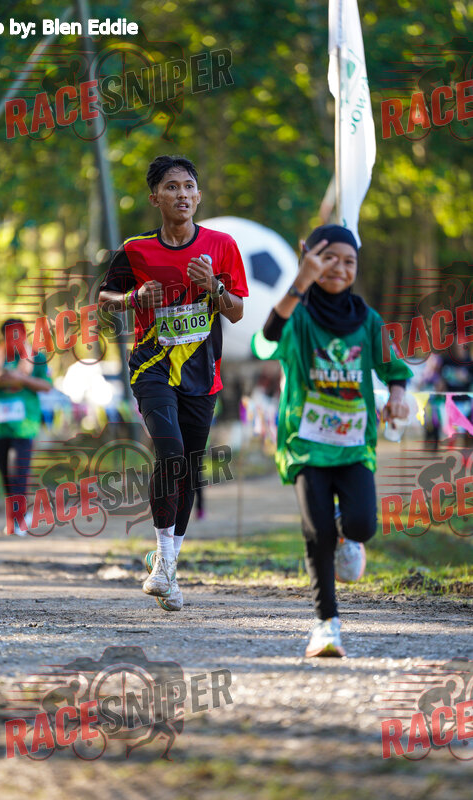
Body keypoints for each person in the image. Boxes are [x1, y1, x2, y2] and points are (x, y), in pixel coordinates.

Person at [253, 224, 412, 657]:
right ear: (309, 259)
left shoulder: (367, 319)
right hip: (306, 444)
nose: (339, 268)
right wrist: (300, 283)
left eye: (349, 261)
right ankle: (326, 625)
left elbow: (394, 369)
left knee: (361, 525)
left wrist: (398, 396)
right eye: (328, 259)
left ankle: (348, 533)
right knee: (317, 531)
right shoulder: (298, 315)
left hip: (354, 444)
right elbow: (266, 340)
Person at [98, 154, 248, 611]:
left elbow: (238, 311)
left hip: (203, 375)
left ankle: (168, 565)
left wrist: (214, 287)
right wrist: (133, 297)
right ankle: (163, 563)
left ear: (198, 196)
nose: (182, 194)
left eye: (188, 187)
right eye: (171, 187)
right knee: (171, 452)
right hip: (151, 368)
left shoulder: (222, 245)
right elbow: (103, 299)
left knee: (187, 471)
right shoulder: (136, 250)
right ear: (155, 198)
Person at [0, 319, 52, 536]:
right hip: (0, 426)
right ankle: (14, 516)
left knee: (18, 471)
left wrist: (22, 378)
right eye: (9, 334)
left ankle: (19, 519)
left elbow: (46, 385)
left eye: (18, 333)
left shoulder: (36, 357)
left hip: (25, 426)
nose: (14, 339)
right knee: (5, 472)